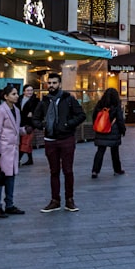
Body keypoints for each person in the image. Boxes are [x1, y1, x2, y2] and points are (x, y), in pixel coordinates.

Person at [32, 72, 86, 213]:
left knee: (68, 170)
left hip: (66, 138)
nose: (51, 86)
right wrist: (43, 125)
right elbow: (35, 118)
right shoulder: (44, 101)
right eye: (49, 83)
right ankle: (55, 200)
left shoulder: (68, 99)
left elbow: (81, 115)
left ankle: (69, 200)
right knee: (54, 171)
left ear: (59, 84)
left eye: (54, 83)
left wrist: (68, 124)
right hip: (50, 140)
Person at [0, 84, 27, 218]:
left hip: (13, 150)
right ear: (6, 96)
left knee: (10, 178)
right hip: (3, 150)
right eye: (14, 94)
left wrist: (25, 130)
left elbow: (15, 129)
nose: (16, 96)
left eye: (17, 94)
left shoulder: (15, 109)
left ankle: (9, 204)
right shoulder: (0, 111)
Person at [91, 87, 126, 178]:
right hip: (113, 131)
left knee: (100, 151)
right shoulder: (116, 105)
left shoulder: (100, 104)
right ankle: (117, 170)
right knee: (115, 152)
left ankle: (95, 171)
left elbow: (94, 116)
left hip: (101, 130)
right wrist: (123, 130)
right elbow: (119, 119)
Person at [18, 84, 39, 165]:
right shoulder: (19, 98)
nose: (30, 92)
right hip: (20, 123)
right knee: (25, 142)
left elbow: (39, 111)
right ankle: (30, 160)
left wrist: (33, 113)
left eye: (31, 90)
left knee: (25, 142)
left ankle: (17, 160)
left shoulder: (36, 100)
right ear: (24, 92)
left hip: (30, 125)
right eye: (28, 90)